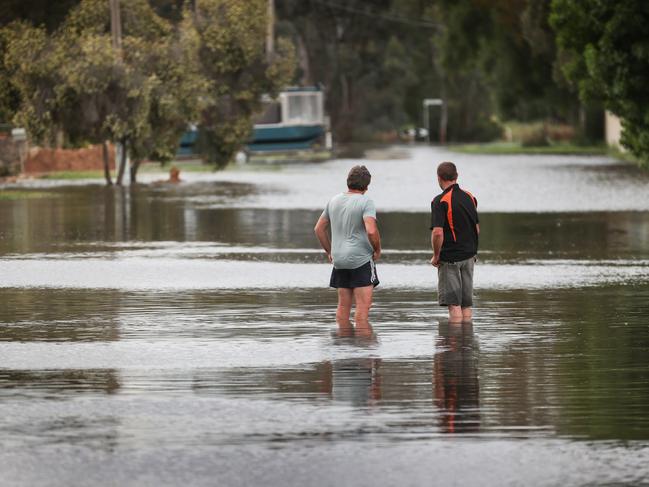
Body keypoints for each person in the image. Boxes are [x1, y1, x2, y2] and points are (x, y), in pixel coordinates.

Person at [314, 165, 381, 335]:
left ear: (348, 182)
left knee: (343, 307)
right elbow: (371, 230)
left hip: (339, 260)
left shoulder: (334, 200)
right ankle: (363, 354)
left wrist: (330, 251)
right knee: (362, 310)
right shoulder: (366, 202)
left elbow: (319, 229)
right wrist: (377, 249)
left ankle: (343, 352)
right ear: (366, 186)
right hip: (360, 259)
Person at [430, 162, 479, 322]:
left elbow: (438, 233)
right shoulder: (470, 197)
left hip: (450, 258)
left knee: (453, 304)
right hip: (470, 256)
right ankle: (466, 342)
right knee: (466, 304)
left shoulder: (440, 201)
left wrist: (436, 256)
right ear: (456, 176)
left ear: (439, 178)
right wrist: (473, 252)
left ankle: (456, 344)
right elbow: (476, 228)